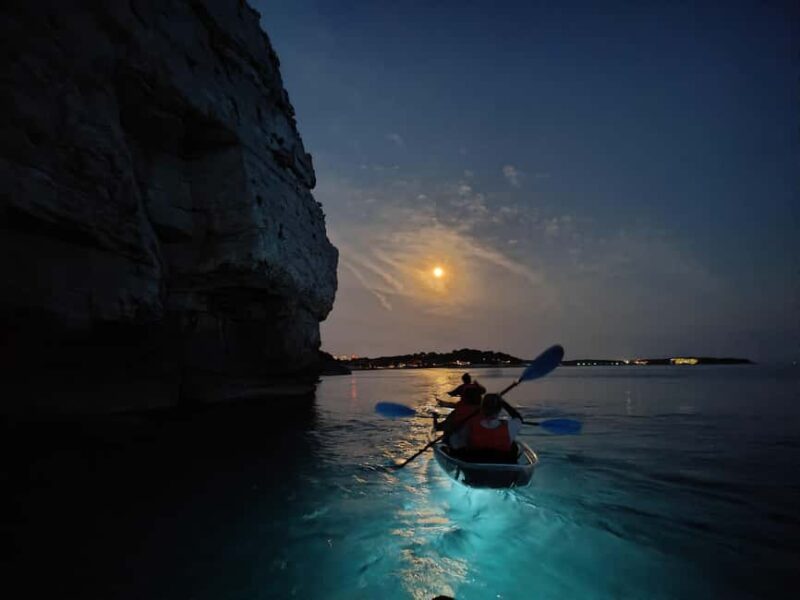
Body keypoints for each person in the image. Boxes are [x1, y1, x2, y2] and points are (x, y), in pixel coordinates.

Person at [449, 393, 523, 463]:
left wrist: (453, 431)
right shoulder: (510, 426)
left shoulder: (470, 425)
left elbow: (454, 443)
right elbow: (518, 418)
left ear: (482, 409)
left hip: (476, 464)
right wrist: (503, 403)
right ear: (500, 409)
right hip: (503, 464)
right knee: (513, 446)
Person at [434, 373, 486, 438]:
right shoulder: (476, 386)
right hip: (477, 409)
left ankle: (439, 426)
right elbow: (484, 391)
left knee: (450, 418)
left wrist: (448, 393)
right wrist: (478, 385)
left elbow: (452, 393)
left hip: (463, 409)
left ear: (463, 380)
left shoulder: (462, 387)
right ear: (470, 379)